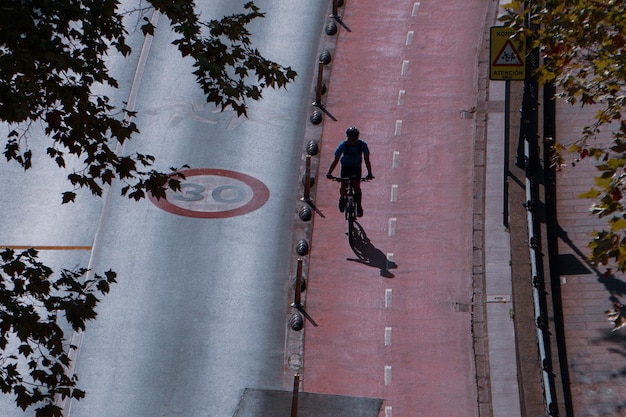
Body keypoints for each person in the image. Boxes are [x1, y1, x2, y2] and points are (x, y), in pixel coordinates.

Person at [326, 126, 373, 217]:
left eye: (354, 139)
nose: (352, 142)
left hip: (356, 167)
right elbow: (336, 159)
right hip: (346, 167)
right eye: (350, 139)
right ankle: (342, 198)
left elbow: (367, 159)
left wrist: (369, 173)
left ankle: (358, 206)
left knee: (357, 186)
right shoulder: (343, 145)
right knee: (343, 185)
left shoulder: (362, 145)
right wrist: (329, 172)